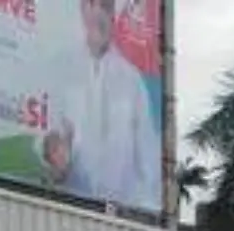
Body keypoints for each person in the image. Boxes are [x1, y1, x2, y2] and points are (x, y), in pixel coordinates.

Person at [36, 0, 162, 209]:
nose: (98, 14)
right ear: (82, 9)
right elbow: (41, 137)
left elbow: (148, 160)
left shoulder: (131, 80)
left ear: (114, 14)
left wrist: (142, 210)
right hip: (67, 209)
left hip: (119, 218)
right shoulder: (59, 68)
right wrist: (54, 153)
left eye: (105, 6)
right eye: (92, 4)